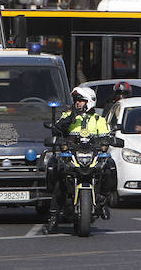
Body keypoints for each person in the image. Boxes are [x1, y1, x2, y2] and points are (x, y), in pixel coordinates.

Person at [44, 85, 114, 234]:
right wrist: (71, 116)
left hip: (91, 156)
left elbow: (107, 137)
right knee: (58, 178)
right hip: (71, 156)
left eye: (81, 101)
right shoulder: (68, 115)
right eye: (76, 101)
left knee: (110, 167)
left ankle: (103, 200)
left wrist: (110, 141)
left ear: (89, 102)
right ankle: (53, 218)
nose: (78, 103)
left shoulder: (98, 120)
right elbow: (57, 129)